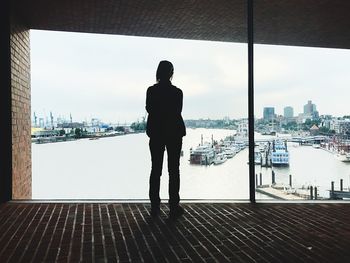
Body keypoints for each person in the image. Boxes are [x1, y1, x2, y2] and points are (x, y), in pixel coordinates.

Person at [146, 60, 186, 219]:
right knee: (173, 170)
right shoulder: (178, 92)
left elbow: (150, 109)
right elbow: (177, 111)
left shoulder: (151, 91)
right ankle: (174, 206)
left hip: (156, 133)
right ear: (171, 73)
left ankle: (155, 205)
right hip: (174, 133)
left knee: (156, 170)